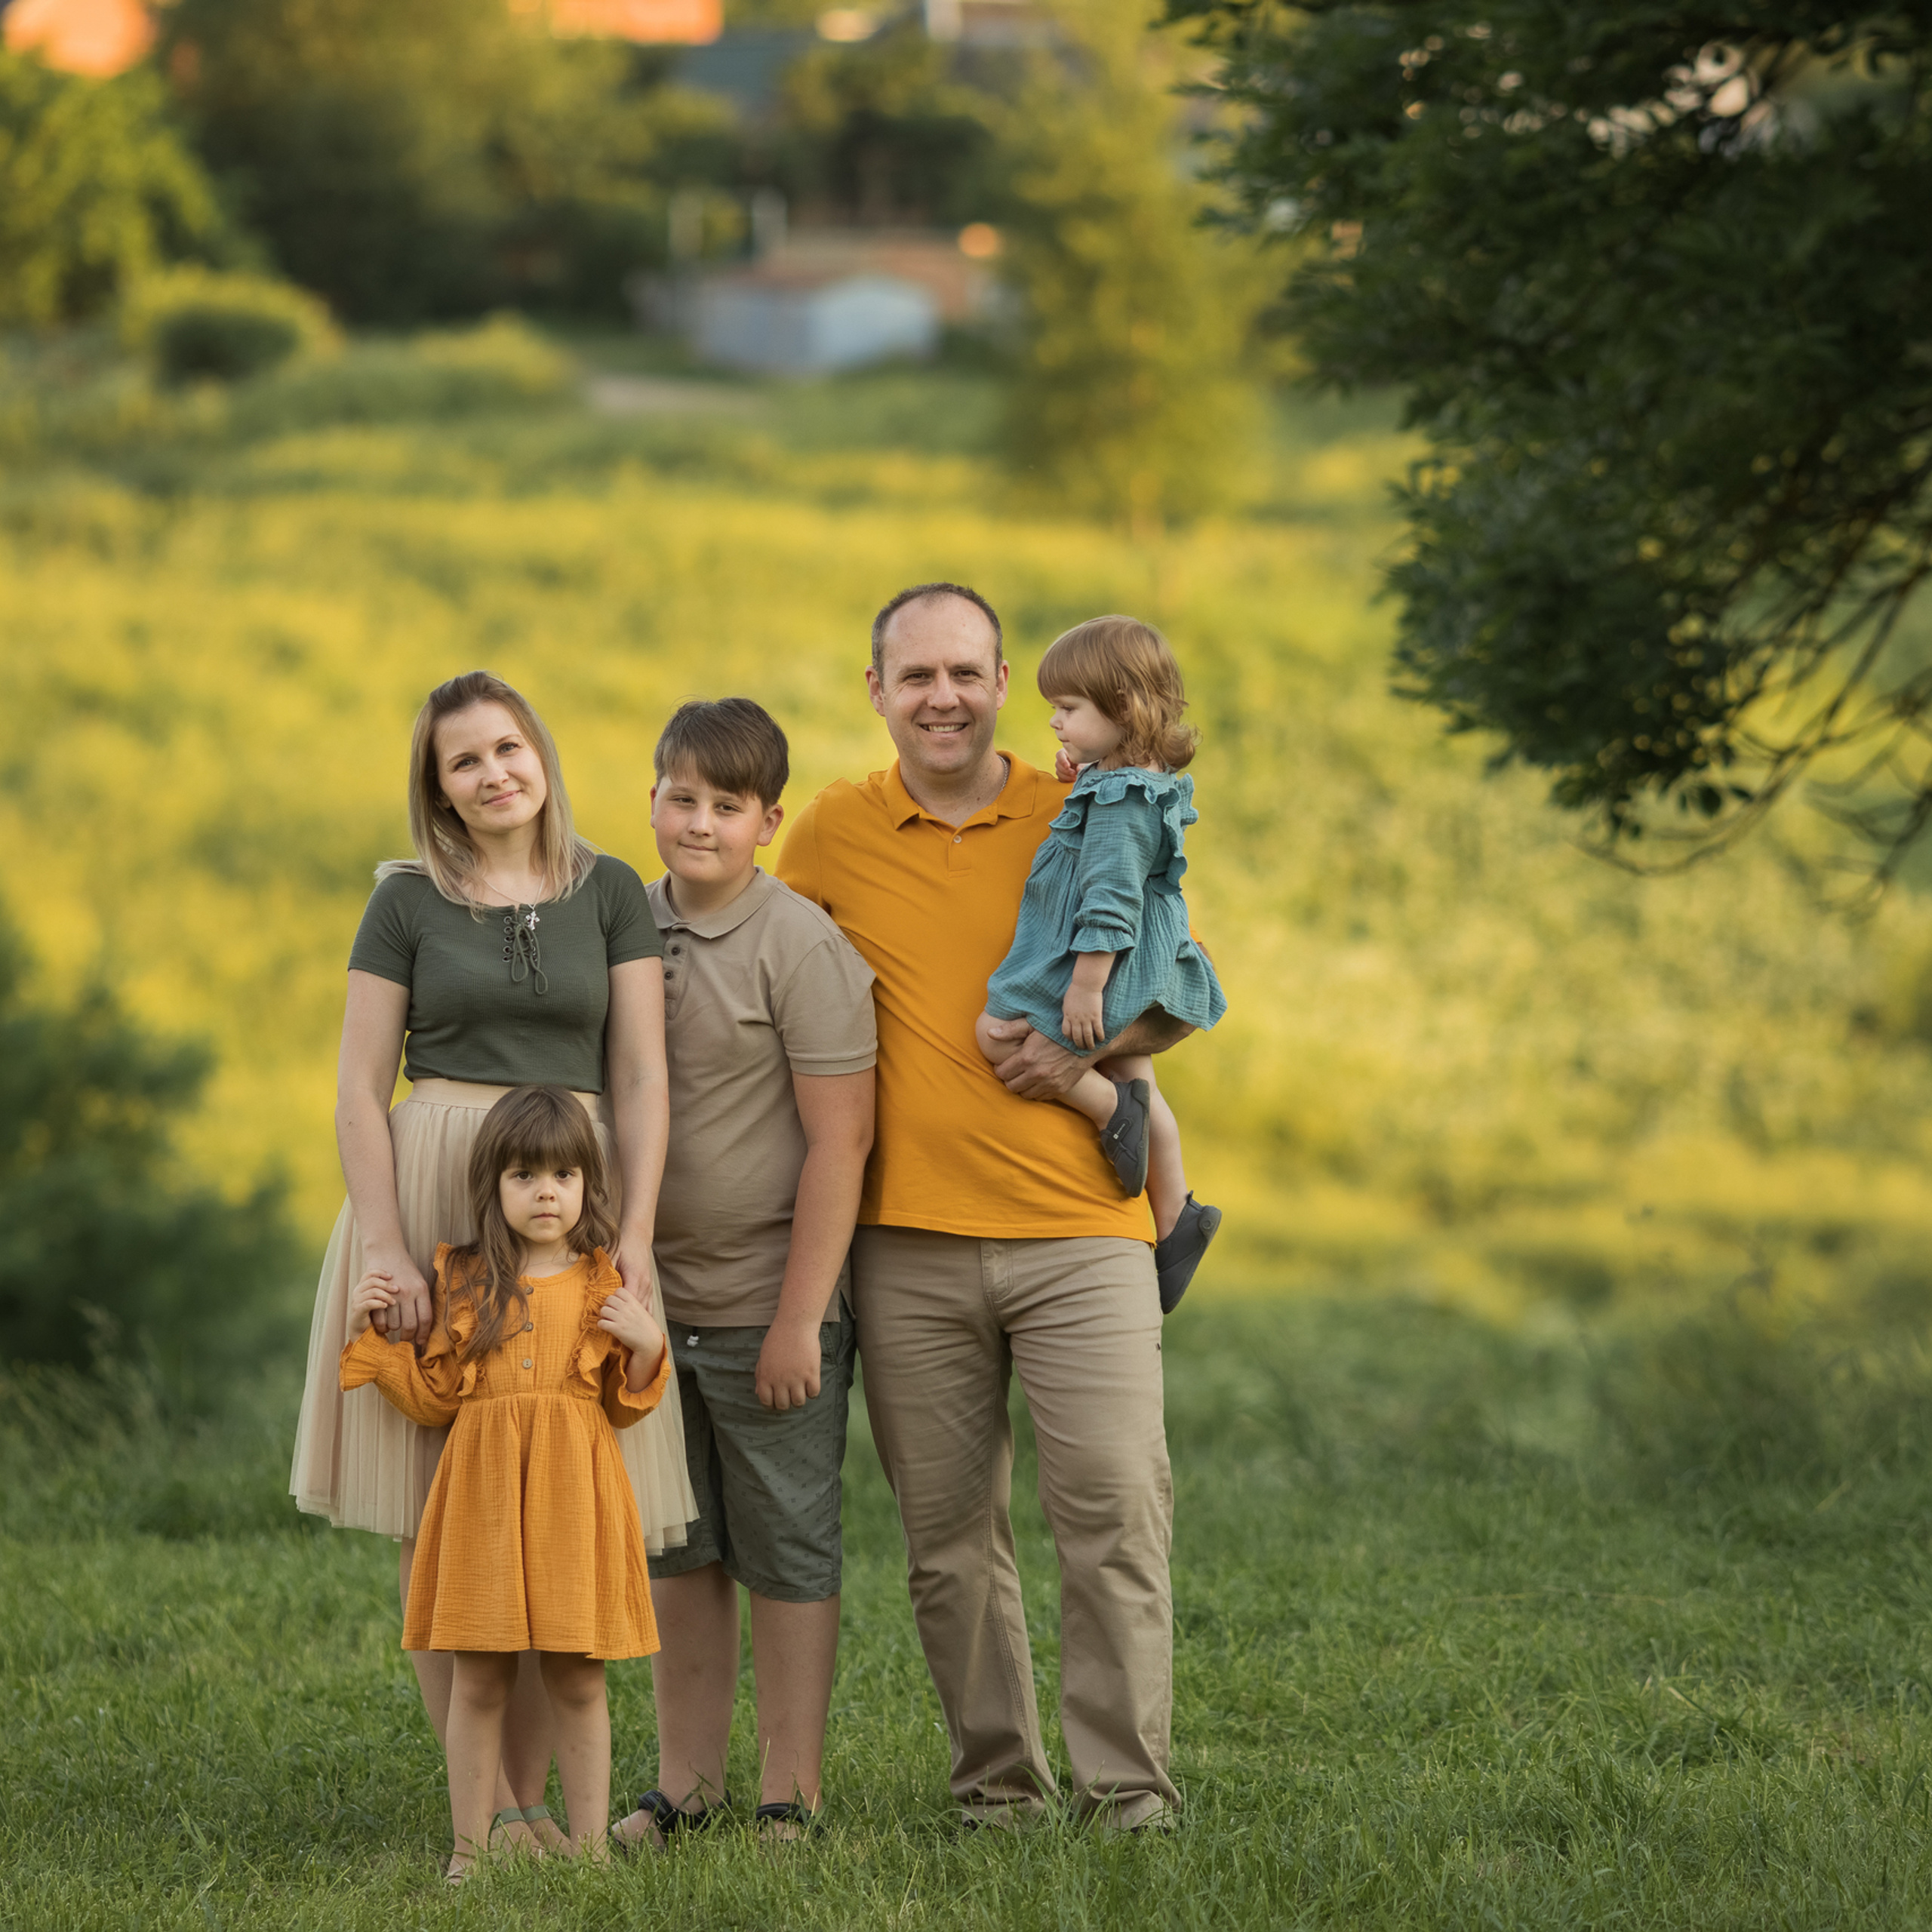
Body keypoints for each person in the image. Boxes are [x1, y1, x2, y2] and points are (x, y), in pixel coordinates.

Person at [776, 582, 1189, 1832]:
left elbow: (1169, 985)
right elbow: (763, 1000)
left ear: (1005, 681)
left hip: (1083, 1233)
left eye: (965, 673)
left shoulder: (1083, 801)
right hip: (906, 1245)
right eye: (917, 677)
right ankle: (998, 1792)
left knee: (1113, 1508)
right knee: (950, 1542)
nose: (942, 697)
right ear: (877, 692)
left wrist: (1082, 1080)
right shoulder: (833, 835)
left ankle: (1128, 1796)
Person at [288, 669, 697, 1853]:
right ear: (438, 787)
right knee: (446, 1512)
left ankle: (546, 1793)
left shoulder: (611, 889)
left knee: (562, 1499)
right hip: (433, 1190)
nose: (493, 773)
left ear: (543, 756)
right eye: (464, 760)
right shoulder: (405, 902)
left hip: (575, 1185)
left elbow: (641, 1078)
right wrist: (387, 1247)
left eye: (508, 748)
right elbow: (360, 1093)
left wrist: (639, 1237)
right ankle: (502, 1811)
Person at [611, 698, 876, 1848]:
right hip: (649, 1312)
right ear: (654, 798)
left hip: (770, 1305)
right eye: (682, 797)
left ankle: (790, 1793)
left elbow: (841, 1143)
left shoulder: (800, 946)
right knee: (679, 1549)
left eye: (728, 806)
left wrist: (798, 1323)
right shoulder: (620, 927)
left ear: (770, 821)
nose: (700, 823)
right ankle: (688, 1783)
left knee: (785, 1551)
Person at [342, 1086, 669, 1882]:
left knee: (577, 1675)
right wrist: (375, 1336)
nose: (546, 1191)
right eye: (524, 1174)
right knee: (479, 1674)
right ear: (493, 1186)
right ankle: (470, 1849)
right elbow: (434, 1397)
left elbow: (625, 1407)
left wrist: (650, 1347)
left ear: (589, 1185)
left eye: (563, 1174)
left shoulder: (603, 1285)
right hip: (482, 1500)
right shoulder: (462, 1279)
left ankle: (591, 1854)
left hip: (573, 1501)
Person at [975, 615, 1226, 1311]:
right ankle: (1176, 1213)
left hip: (1108, 958)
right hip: (1142, 953)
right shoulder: (1132, 776)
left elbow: (1111, 898)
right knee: (1135, 1067)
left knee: (996, 1032)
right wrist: (1082, 768)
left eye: (1068, 710)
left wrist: (1086, 987)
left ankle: (1110, 1112)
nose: (1053, 722)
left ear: (1122, 710)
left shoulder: (1119, 806)